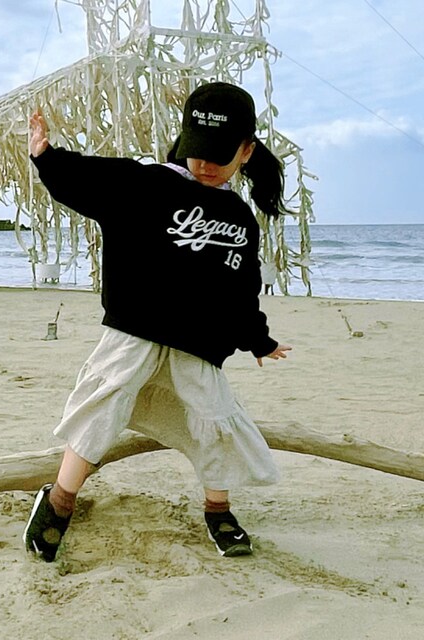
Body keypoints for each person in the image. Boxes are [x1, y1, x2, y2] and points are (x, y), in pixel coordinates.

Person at [23, 82, 292, 562]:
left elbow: (241, 291)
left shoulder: (239, 219)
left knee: (214, 423)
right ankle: (60, 500)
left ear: (247, 151)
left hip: (199, 346)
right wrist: (46, 156)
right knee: (101, 409)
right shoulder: (144, 184)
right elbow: (86, 179)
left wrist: (258, 340)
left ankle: (218, 509)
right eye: (198, 151)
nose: (205, 164)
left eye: (220, 155)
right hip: (133, 333)